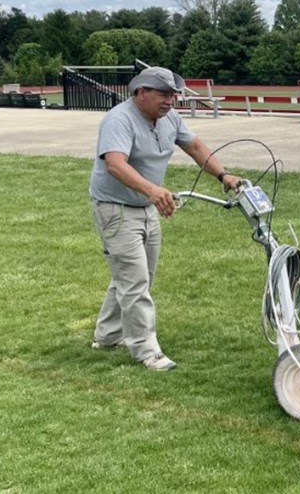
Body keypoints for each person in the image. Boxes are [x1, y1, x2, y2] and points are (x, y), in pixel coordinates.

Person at [89, 66, 242, 371]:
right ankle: (147, 350)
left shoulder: (169, 118)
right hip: (116, 209)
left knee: (136, 275)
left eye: (174, 95)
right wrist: (152, 190)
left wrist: (224, 175)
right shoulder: (119, 120)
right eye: (163, 94)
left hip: (147, 205)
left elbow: (194, 146)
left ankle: (107, 335)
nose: (171, 101)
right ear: (141, 92)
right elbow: (115, 165)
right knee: (134, 280)